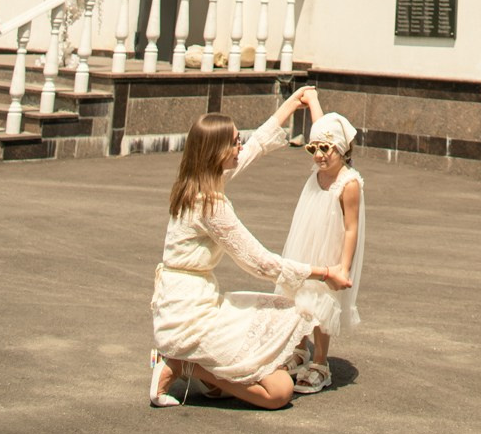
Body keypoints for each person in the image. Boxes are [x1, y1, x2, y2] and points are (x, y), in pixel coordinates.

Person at [149, 88, 347, 408]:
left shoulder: (195, 180)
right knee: (279, 390)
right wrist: (324, 273)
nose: (240, 144)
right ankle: (184, 364)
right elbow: (259, 263)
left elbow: (254, 147)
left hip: (190, 302)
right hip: (189, 316)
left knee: (260, 371)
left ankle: (196, 368)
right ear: (216, 152)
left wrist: (290, 104)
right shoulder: (209, 203)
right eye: (234, 141)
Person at [282, 91, 365, 394]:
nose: (319, 155)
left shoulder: (348, 182)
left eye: (326, 149)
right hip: (305, 239)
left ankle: (320, 362)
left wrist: (343, 265)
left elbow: (352, 228)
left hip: (330, 247)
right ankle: (299, 349)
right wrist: (313, 101)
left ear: (341, 150)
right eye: (313, 148)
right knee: (296, 294)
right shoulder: (319, 170)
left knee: (320, 302)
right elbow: (321, 126)